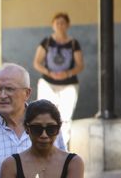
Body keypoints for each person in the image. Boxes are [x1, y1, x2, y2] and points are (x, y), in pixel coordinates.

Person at [33, 13, 84, 146]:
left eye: (63, 23)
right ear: (53, 25)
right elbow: (37, 62)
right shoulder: (47, 42)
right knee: (45, 115)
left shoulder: (73, 43)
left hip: (69, 85)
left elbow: (80, 65)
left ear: (68, 25)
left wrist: (67, 73)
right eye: (57, 23)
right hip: (48, 84)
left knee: (65, 118)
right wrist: (49, 73)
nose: (60, 26)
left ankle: (62, 146)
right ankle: (45, 145)